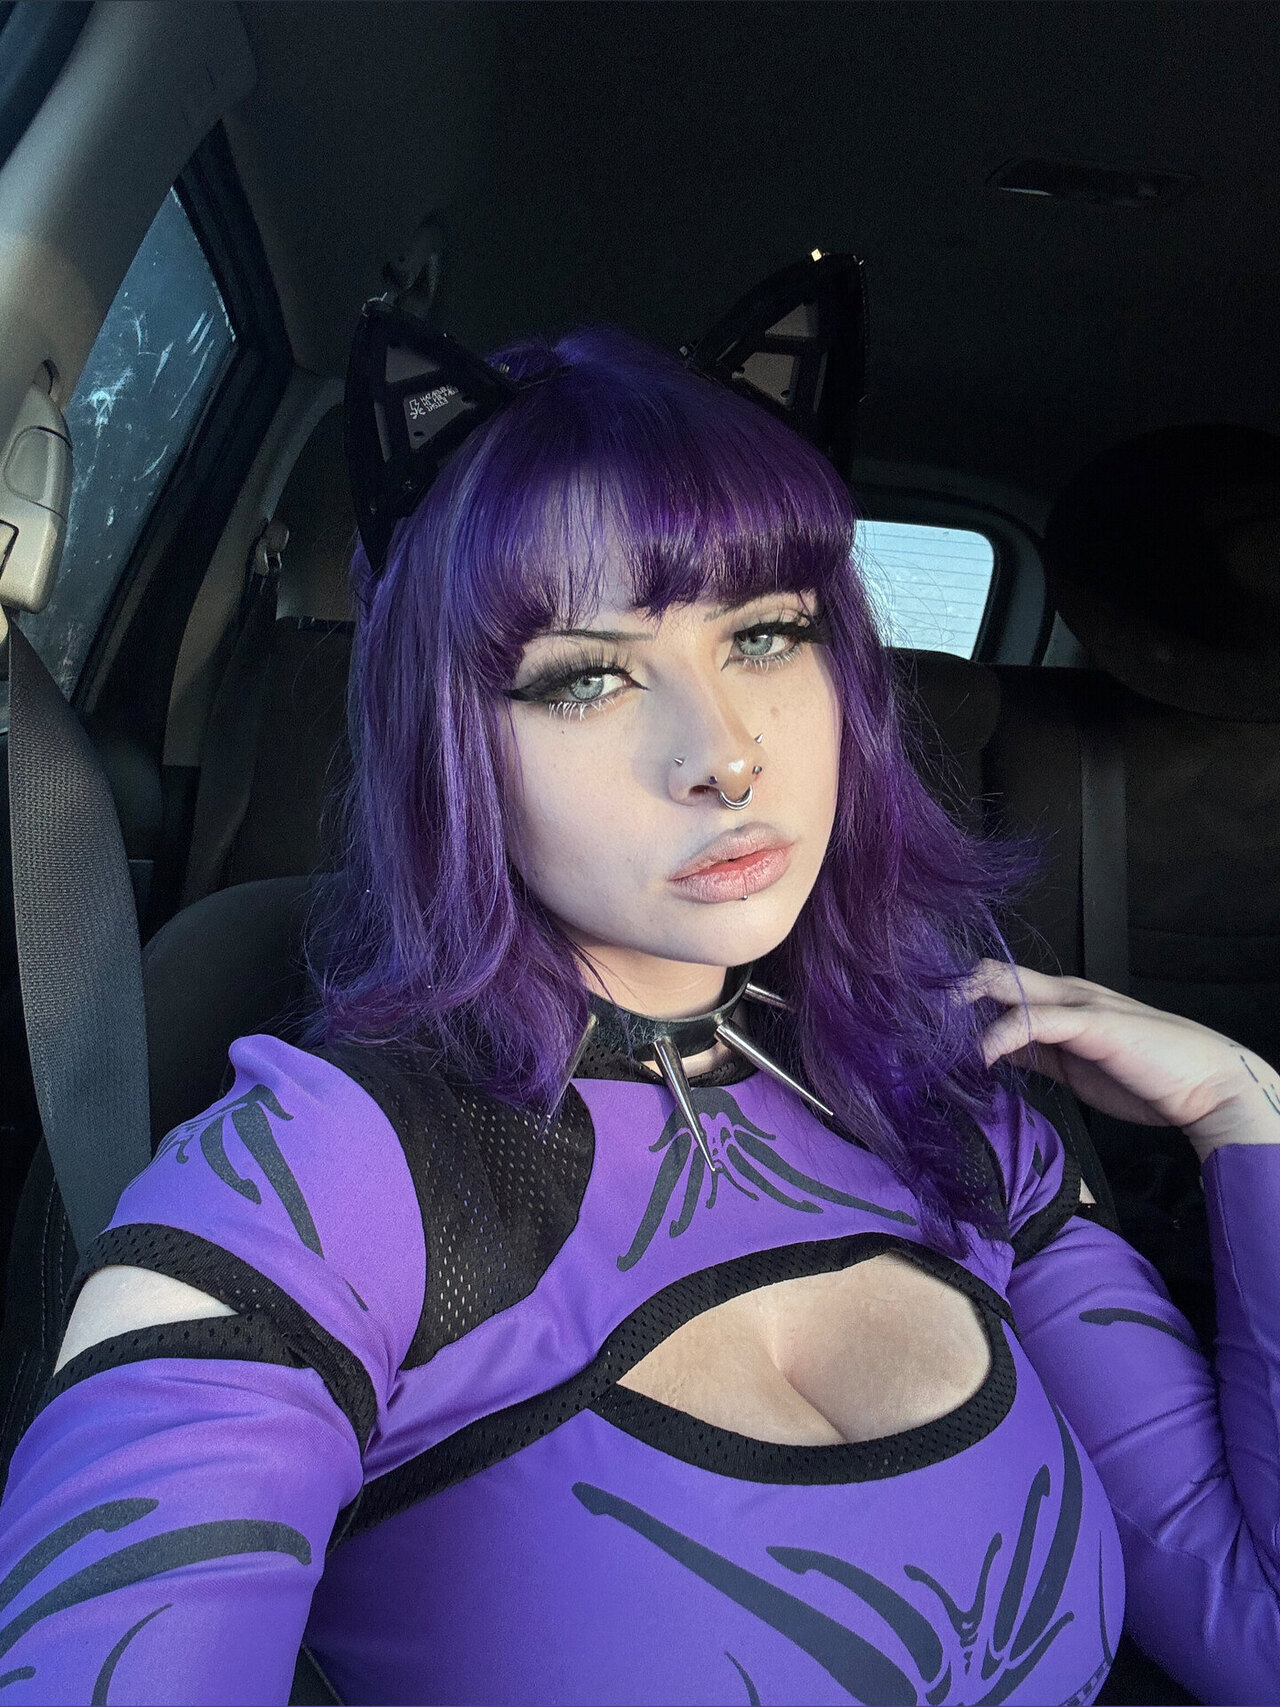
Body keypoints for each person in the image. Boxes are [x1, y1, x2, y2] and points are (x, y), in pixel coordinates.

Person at [0, 322, 1277, 1707]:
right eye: (585, 676)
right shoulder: (318, 1183)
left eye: (765, 634)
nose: (725, 756)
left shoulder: (959, 1101)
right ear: (447, 741)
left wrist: (1247, 1116)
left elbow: (1252, 1626)